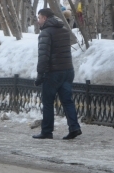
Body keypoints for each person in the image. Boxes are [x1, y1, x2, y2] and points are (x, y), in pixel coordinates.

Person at [33, 8, 81, 140]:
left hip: (53, 72)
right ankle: (74, 127)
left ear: (45, 18)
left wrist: (40, 74)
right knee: (67, 101)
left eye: (39, 18)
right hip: (68, 70)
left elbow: (43, 56)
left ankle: (47, 131)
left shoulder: (45, 33)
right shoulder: (64, 31)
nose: (38, 21)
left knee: (48, 102)